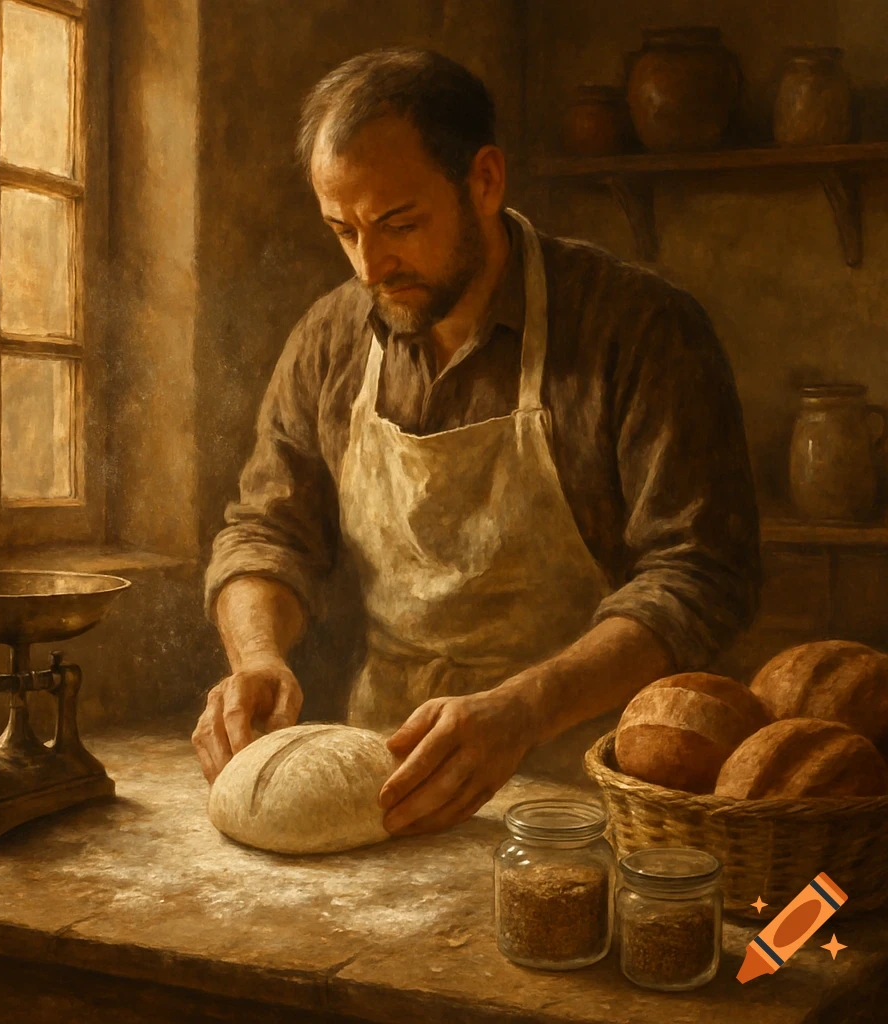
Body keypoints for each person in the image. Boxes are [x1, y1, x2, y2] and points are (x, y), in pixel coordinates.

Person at [192, 48, 760, 837]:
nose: (370, 265)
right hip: (384, 781)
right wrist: (256, 655)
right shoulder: (330, 340)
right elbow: (266, 530)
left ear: (485, 181)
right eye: (342, 231)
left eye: (399, 224)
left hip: (602, 790)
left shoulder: (636, 328)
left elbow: (700, 577)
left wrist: (526, 708)